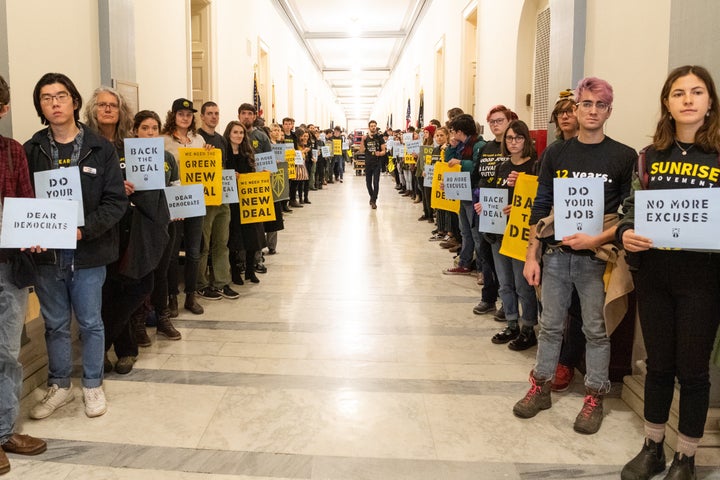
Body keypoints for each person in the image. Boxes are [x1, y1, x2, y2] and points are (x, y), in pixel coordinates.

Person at [513, 77, 636, 435]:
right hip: (554, 255)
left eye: (600, 105)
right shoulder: (556, 153)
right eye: (586, 104)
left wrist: (595, 239)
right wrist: (531, 255)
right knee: (549, 326)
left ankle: (595, 395)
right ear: (576, 109)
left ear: (609, 111)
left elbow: (629, 212)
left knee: (595, 330)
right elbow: (541, 205)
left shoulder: (624, 156)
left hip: (596, 258)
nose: (593, 110)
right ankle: (542, 386)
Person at [618, 65, 720, 480]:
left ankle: (687, 457)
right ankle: (653, 446)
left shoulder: (718, 155)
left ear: (710, 101)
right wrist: (625, 233)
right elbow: (630, 208)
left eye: (697, 92)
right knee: (658, 364)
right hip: (655, 276)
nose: (689, 100)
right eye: (679, 93)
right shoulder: (648, 157)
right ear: (667, 102)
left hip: (704, 280)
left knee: (693, 370)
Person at [25, 72, 128, 419]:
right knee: (54, 323)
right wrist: (31, 231)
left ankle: (92, 384)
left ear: (74, 101)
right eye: (46, 98)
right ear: (40, 106)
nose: (54, 103)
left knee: (90, 322)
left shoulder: (100, 149)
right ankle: (59, 385)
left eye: (61, 96)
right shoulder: (32, 149)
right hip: (47, 256)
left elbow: (116, 202)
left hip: (88, 252)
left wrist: (84, 231)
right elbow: (23, 200)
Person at [84, 86, 171, 375]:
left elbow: (151, 185)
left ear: (122, 112)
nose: (108, 110)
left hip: (134, 226)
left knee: (138, 285)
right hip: (102, 227)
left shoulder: (131, 146)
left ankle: (100, 343)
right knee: (108, 288)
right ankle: (125, 350)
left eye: (113, 105)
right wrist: (111, 189)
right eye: (102, 105)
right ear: (92, 111)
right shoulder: (85, 146)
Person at [0, 74, 47, 476]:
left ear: (3, 108)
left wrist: (34, 233)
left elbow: (27, 202)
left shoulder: (14, 152)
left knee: (7, 354)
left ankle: (3, 430)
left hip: (7, 267)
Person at [478, 120, 538, 351]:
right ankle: (512, 322)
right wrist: (485, 206)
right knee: (505, 283)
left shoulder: (535, 165)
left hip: (522, 235)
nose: (513, 142)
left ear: (526, 139)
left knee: (523, 285)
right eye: (509, 138)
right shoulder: (502, 166)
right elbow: (497, 194)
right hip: (499, 232)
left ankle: (528, 327)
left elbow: (537, 199)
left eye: (518, 138)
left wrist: (519, 208)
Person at [130, 110, 182, 348]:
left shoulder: (167, 158)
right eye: (145, 128)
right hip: (138, 224)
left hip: (165, 223)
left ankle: (162, 318)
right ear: (135, 131)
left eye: (154, 128)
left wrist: (179, 207)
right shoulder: (126, 157)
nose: (150, 132)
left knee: (162, 272)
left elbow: (175, 186)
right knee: (143, 273)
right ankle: (138, 322)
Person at [162, 98, 206, 315]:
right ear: (174, 115)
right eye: (181, 114)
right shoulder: (163, 140)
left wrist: (208, 154)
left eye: (189, 115)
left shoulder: (198, 139)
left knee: (194, 251)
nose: (185, 118)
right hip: (174, 201)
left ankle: (191, 295)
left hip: (196, 199)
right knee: (171, 252)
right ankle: (172, 298)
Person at [196, 102, 239, 301]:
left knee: (222, 242)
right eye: (210, 113)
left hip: (222, 197)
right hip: (204, 199)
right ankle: (200, 284)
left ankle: (221, 282)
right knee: (203, 243)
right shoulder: (196, 139)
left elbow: (225, 166)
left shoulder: (222, 140)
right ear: (202, 116)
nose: (214, 117)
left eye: (216, 114)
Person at [444, 114, 486, 275]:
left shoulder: (478, 145)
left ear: (460, 131)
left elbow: (477, 167)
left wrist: (461, 162)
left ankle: (482, 269)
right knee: (465, 231)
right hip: (463, 193)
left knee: (476, 234)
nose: (452, 134)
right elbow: (448, 162)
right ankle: (465, 262)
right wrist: (452, 147)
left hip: (473, 194)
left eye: (453, 131)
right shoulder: (461, 146)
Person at [224, 121, 265, 284]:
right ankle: (235, 271)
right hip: (231, 200)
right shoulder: (224, 153)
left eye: (241, 133)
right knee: (234, 236)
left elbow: (253, 172)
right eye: (235, 132)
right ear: (229, 134)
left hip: (248, 199)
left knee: (252, 235)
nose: (239, 135)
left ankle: (250, 270)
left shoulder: (247, 152)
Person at [360, 119, 386, 209]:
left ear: (376, 127)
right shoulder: (365, 138)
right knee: (368, 183)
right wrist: (362, 141)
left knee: (376, 183)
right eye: (371, 126)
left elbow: (384, 151)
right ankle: (372, 197)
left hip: (377, 163)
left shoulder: (380, 138)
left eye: (374, 125)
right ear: (369, 127)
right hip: (368, 163)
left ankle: (374, 200)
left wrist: (380, 153)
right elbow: (362, 150)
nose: (373, 127)